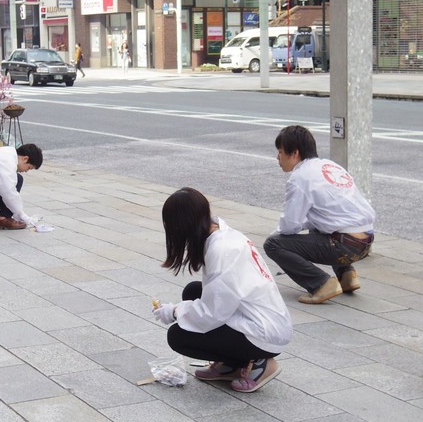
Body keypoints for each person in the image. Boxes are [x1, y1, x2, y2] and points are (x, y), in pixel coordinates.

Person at [152, 187, 292, 393]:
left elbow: (213, 312)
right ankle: (232, 365)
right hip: (260, 316)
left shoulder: (222, 249)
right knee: (193, 291)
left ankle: (260, 364)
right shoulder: (220, 233)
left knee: (178, 336)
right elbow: (217, 301)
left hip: (265, 333)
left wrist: (174, 311)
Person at [263, 125, 376, 304]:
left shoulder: (300, 178)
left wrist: (276, 233)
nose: (278, 158)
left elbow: (289, 225)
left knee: (273, 245)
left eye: (280, 152)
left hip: (345, 246)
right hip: (366, 241)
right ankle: (347, 276)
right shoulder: (329, 166)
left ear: (295, 153)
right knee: (319, 226)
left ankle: (321, 284)